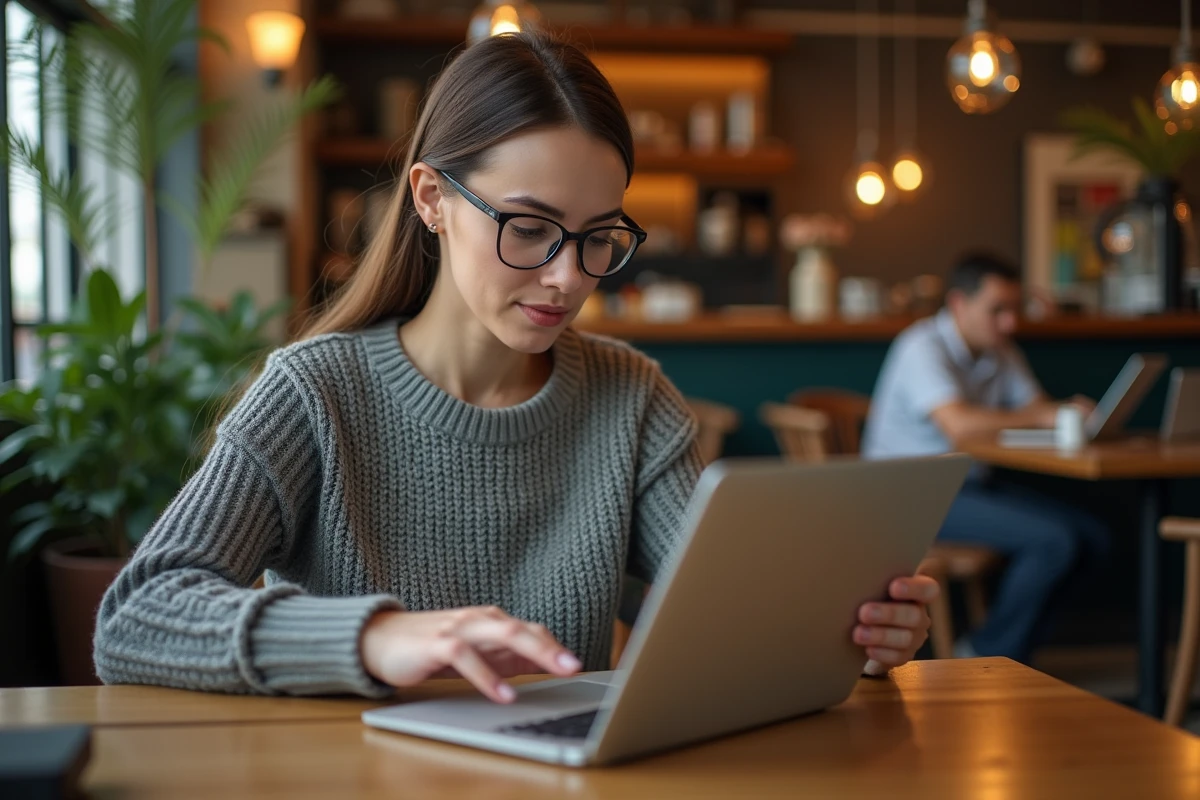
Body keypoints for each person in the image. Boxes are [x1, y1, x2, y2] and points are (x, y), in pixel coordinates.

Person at [94, 33, 936, 702]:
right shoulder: (314, 393)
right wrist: (375, 638)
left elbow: (739, 619)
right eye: (529, 228)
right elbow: (135, 619)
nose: (569, 277)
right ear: (431, 200)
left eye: (599, 235)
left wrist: (855, 637)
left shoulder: (630, 399)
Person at [862, 252, 1109, 663]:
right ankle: (984, 654)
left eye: (1013, 309)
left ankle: (1011, 651)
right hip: (908, 495)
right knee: (1054, 541)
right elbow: (958, 425)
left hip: (970, 486)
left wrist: (1062, 416)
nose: (1010, 323)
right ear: (959, 304)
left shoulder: (1000, 351)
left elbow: (1038, 407)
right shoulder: (920, 346)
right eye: (997, 310)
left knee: (1095, 540)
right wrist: (1047, 414)